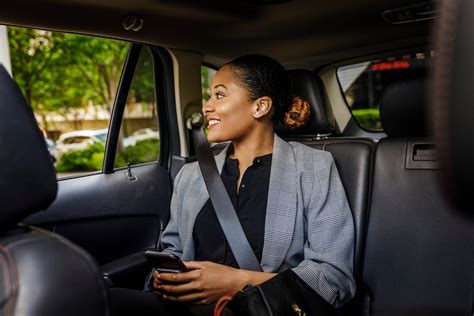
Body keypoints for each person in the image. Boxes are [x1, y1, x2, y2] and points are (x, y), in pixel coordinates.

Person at [109, 54, 355, 315]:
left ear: (260, 107)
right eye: (209, 96)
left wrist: (236, 282)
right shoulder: (191, 175)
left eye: (219, 95)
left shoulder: (314, 167)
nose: (206, 107)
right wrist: (166, 279)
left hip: (259, 309)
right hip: (183, 308)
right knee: (98, 298)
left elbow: (333, 278)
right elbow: (174, 250)